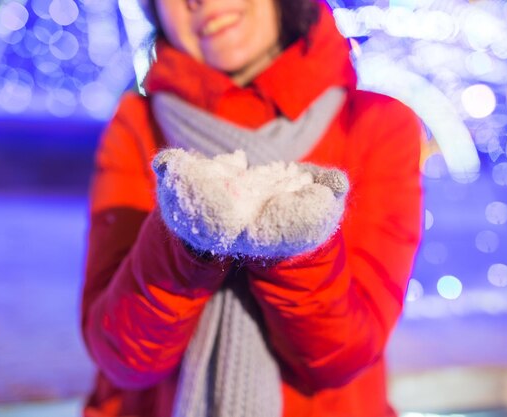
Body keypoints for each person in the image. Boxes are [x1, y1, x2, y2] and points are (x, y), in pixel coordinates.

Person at [81, 0, 423, 416]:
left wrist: (292, 242)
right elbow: (121, 355)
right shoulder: (136, 125)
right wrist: (189, 238)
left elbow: (341, 357)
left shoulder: (379, 126)